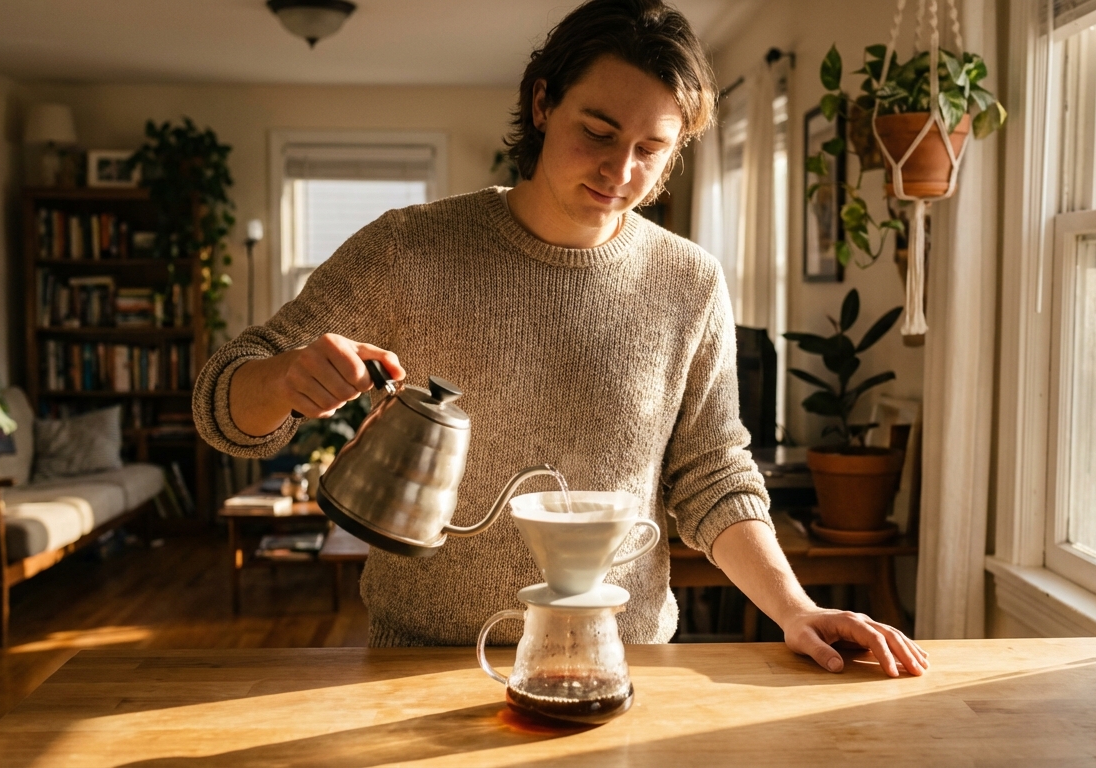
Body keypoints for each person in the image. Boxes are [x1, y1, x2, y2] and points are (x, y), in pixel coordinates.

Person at [194, 0, 927, 677]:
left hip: (621, 663)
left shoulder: (689, 281)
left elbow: (712, 475)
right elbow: (222, 405)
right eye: (599, 132)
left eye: (651, 149)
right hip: (423, 665)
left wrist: (797, 610)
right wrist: (283, 379)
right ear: (543, 103)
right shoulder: (408, 249)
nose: (620, 170)